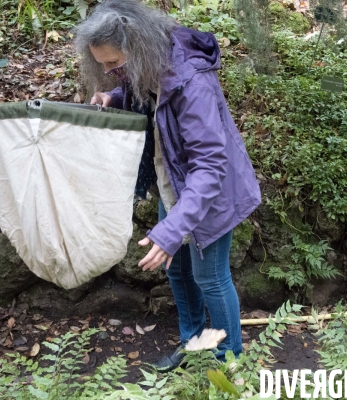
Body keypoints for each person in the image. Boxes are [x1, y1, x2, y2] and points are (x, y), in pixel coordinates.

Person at [74, 0, 261, 371]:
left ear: (138, 47)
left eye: (114, 64)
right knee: (176, 269)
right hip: (173, 182)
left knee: (210, 275)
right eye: (104, 66)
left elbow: (210, 164)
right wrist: (114, 96)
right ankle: (194, 345)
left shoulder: (192, 80)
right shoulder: (149, 65)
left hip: (211, 189)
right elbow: (148, 97)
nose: (110, 71)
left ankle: (229, 361)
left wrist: (172, 229)